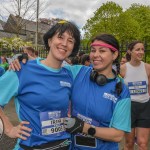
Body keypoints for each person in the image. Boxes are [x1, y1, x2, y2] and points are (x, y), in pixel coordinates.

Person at [10, 33, 131, 150]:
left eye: (102, 51)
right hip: (70, 146)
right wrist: (28, 60)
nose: (95, 55)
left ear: (114, 55)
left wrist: (85, 128)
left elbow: (118, 135)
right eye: (93, 50)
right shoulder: (78, 72)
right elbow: (51, 66)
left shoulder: (121, 91)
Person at [0, 20, 80, 150]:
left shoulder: (71, 74)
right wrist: (8, 128)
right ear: (49, 41)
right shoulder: (22, 69)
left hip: (64, 145)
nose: (64, 43)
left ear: (73, 48)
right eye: (60, 37)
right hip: (31, 146)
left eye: (70, 41)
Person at [120, 41, 150, 150]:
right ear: (130, 51)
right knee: (129, 143)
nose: (141, 52)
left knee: (142, 144)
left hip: (145, 107)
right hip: (129, 108)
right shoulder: (123, 68)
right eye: (138, 49)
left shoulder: (147, 68)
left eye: (142, 49)